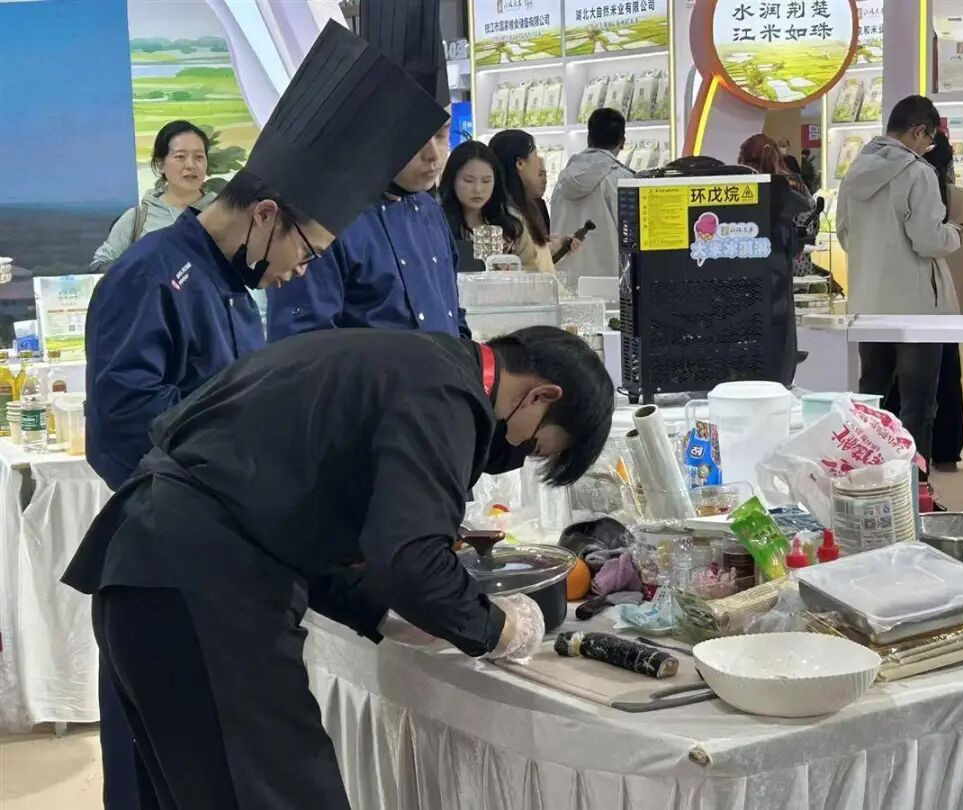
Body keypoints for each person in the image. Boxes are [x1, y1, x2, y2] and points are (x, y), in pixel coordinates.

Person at [82, 21, 449, 810]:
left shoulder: (232, 290)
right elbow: (119, 435)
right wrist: (258, 477)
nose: (299, 273)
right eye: (306, 252)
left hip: (233, 574)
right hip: (173, 573)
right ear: (266, 214)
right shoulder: (149, 275)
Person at [62, 325, 614, 809]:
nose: (516, 455)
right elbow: (411, 559)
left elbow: (300, 512)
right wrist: (497, 628)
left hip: (149, 568)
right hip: (203, 586)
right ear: (540, 395)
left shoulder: (413, 362)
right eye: (536, 447)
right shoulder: (449, 395)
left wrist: (381, 612)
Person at [266, 0, 465, 340]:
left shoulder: (431, 211)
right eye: (416, 138)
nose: (433, 155)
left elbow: (454, 315)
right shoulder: (322, 222)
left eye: (442, 135)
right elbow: (302, 345)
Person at [837, 95, 962, 475]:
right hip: (915, 307)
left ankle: (868, 478)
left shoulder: (855, 170)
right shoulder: (917, 173)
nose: (928, 149)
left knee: (872, 399)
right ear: (918, 131)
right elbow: (928, 240)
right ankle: (914, 485)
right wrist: (954, 234)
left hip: (868, 304)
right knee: (917, 406)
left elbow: (845, 234)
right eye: (929, 141)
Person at [924, 130, 963, 471]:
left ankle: (915, 452)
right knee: (949, 375)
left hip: (919, 301)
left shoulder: (917, 199)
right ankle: (948, 450)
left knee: (910, 381)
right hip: (956, 302)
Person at [90, 121, 216, 271]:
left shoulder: (225, 214)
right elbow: (99, 265)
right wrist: (142, 273)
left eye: (199, 157)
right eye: (180, 156)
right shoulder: (137, 219)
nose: (191, 165)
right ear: (160, 164)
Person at [550, 107, 635, 289]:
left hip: (564, 283)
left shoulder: (563, 179)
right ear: (622, 142)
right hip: (610, 285)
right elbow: (633, 236)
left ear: (589, 138)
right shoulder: (622, 179)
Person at [490, 129, 578, 273]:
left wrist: (555, 246)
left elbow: (531, 258)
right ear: (520, 163)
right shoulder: (509, 218)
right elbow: (523, 270)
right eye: (535, 155)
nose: (539, 163)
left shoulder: (523, 209)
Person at [738, 133, 819, 277]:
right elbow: (811, 225)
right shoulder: (796, 185)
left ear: (743, 161)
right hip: (796, 271)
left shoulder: (741, 189)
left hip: (752, 274)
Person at [439, 139, 531, 263]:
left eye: (486, 181)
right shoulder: (438, 225)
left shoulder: (512, 228)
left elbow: (531, 267)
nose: (478, 189)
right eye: (468, 180)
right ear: (452, 180)